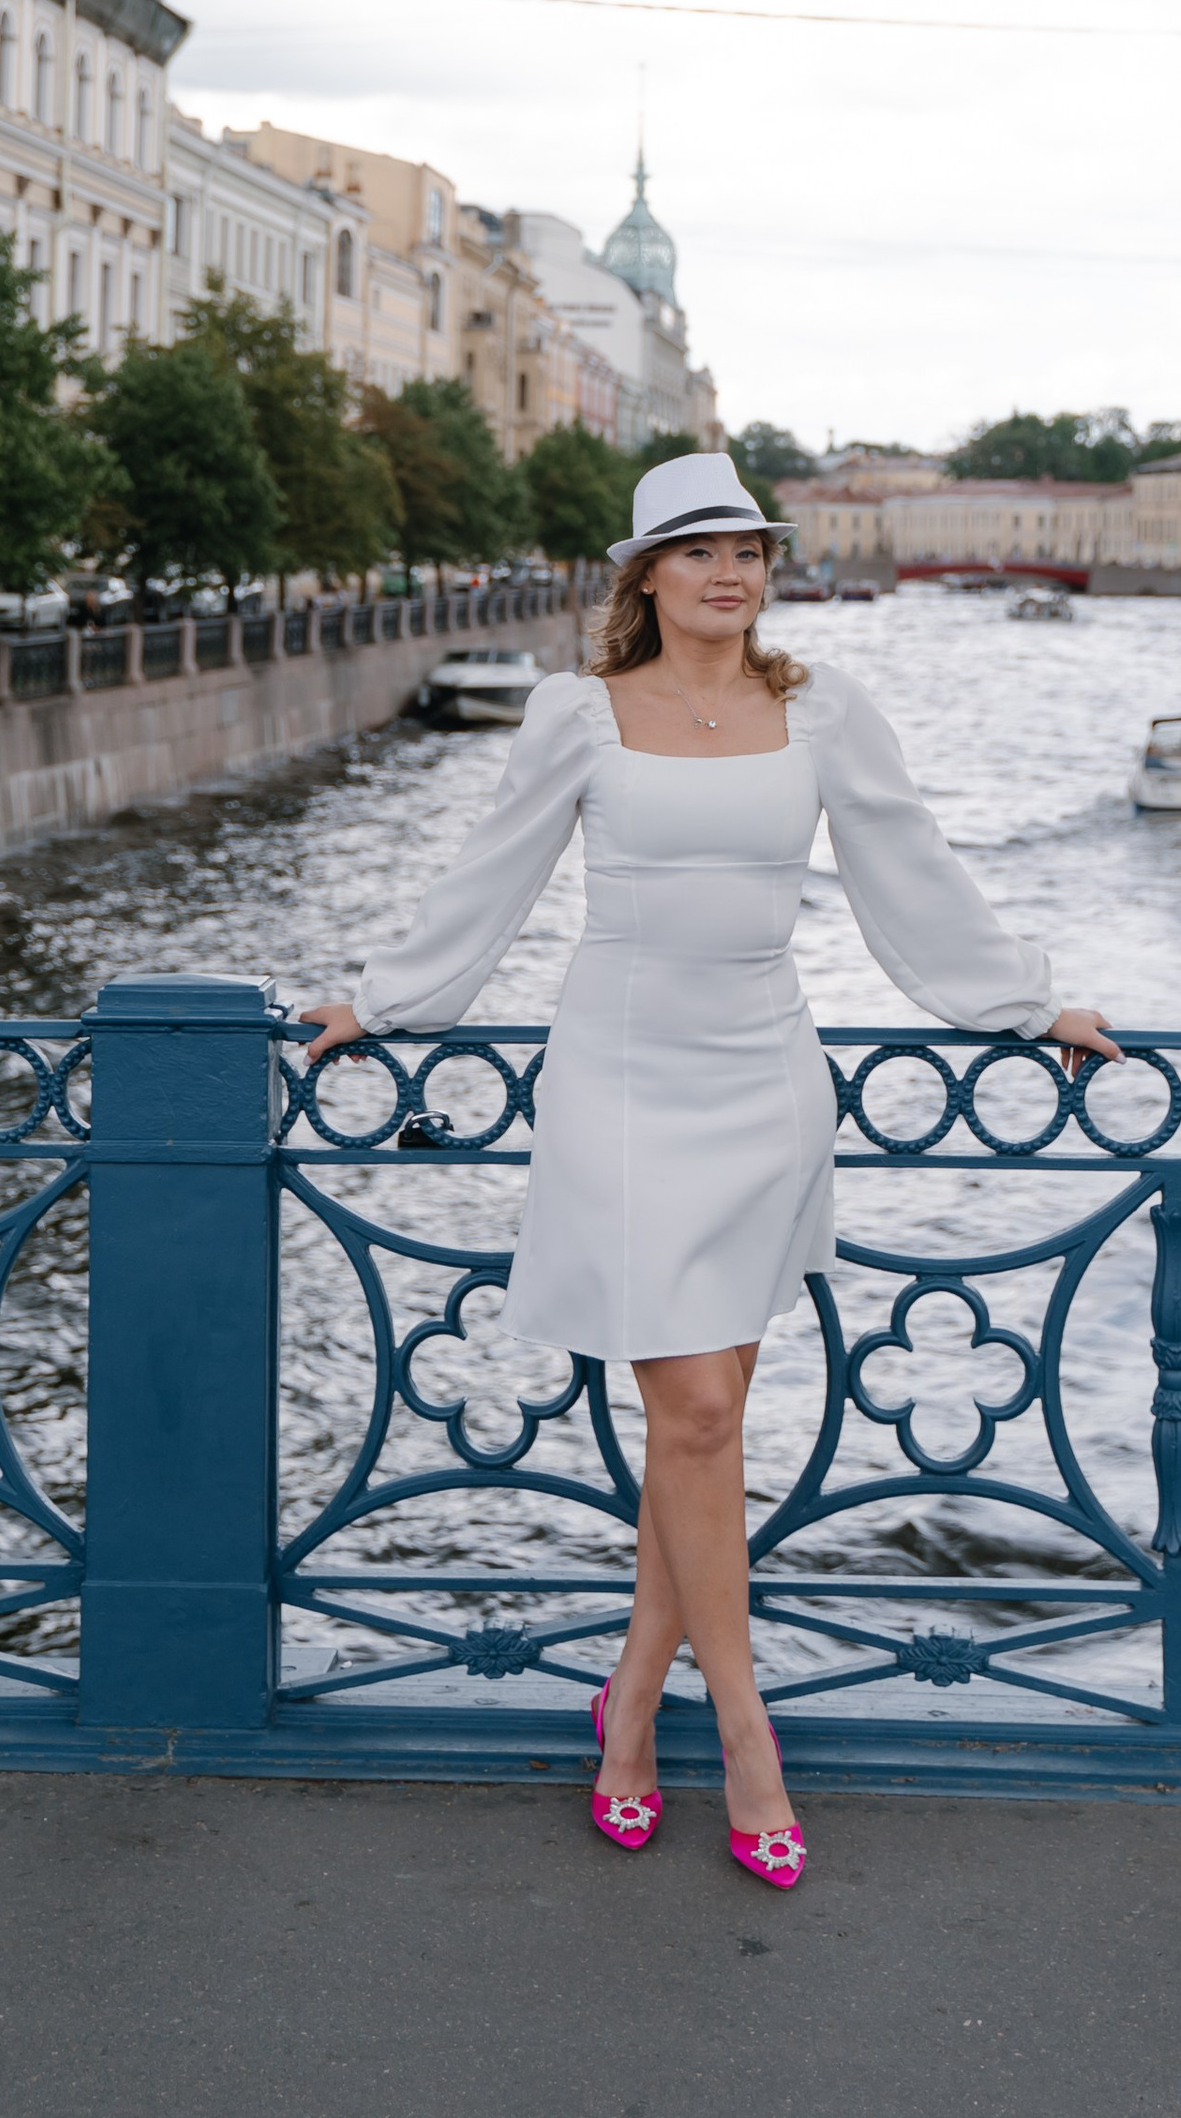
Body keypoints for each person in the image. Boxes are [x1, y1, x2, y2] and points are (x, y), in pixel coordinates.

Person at [302, 451, 1118, 1891]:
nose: (730, 573)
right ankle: (746, 1733)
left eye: (747, 549)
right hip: (620, 1078)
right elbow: (491, 873)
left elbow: (910, 871)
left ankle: (629, 1705)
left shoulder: (821, 710)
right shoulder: (578, 713)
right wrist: (386, 1000)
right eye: (698, 551)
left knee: (706, 1426)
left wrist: (1024, 1004)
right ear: (645, 577)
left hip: (765, 1079)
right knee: (694, 1411)